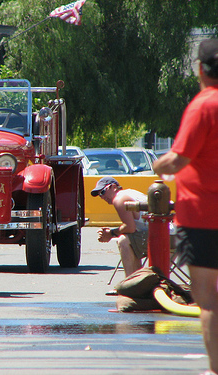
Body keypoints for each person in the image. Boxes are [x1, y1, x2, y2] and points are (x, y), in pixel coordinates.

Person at [153, 38, 218, 375]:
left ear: (200, 69)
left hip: (204, 217)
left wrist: (157, 166)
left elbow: (178, 159)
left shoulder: (204, 106)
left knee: (207, 299)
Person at [91, 177, 148, 281]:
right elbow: (131, 229)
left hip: (164, 237)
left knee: (123, 240)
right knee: (129, 239)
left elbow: (130, 228)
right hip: (170, 234)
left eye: (103, 192)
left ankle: (130, 283)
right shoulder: (130, 193)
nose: (102, 197)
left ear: (114, 187)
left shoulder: (119, 199)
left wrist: (111, 233)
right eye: (99, 195)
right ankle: (138, 282)